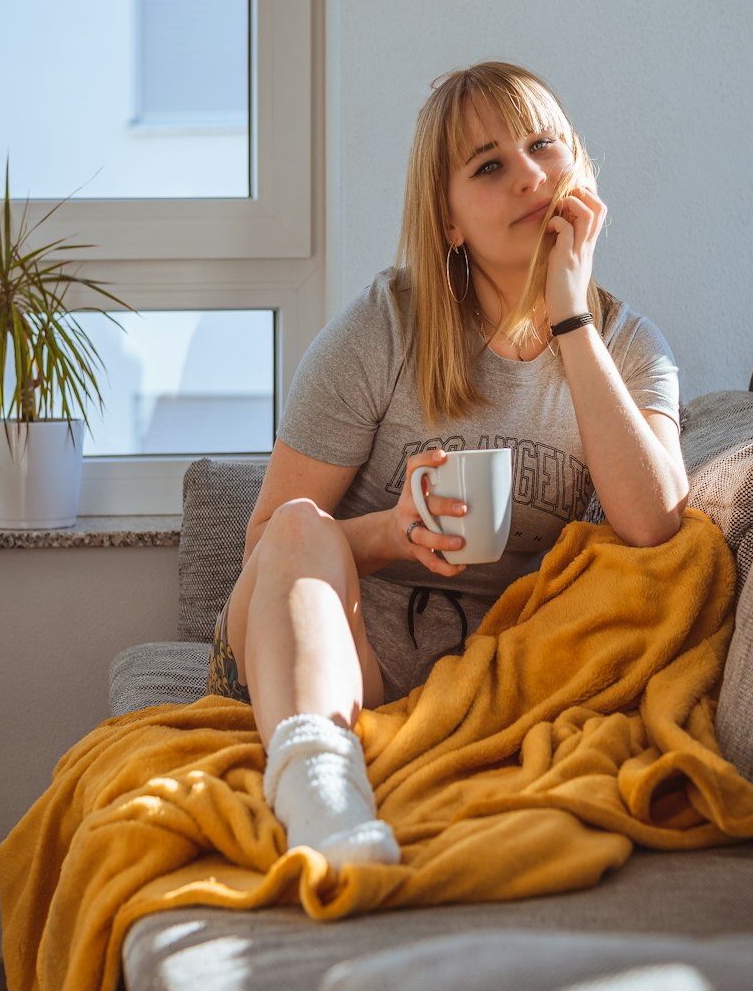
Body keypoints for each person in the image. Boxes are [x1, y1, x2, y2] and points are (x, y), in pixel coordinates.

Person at [207, 61, 689, 868]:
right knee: (297, 524)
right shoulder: (384, 328)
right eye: (490, 166)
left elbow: (656, 523)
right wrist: (393, 535)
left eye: (545, 146)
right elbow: (266, 549)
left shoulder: (629, 347)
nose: (531, 177)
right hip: (327, 648)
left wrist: (571, 317)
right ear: (451, 220)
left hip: (480, 683)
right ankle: (320, 796)